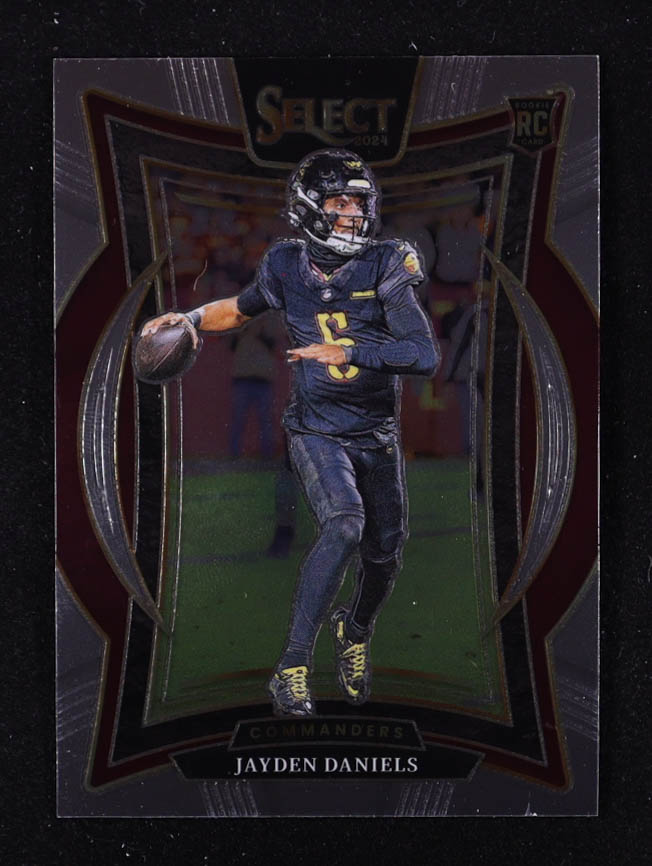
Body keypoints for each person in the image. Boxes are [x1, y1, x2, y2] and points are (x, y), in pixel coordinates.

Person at [142, 150, 440, 717]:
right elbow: (242, 308)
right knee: (345, 523)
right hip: (316, 429)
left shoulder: (386, 262)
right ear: (308, 208)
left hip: (375, 433)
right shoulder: (284, 263)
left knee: (385, 554)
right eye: (339, 201)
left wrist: (349, 351)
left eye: (358, 201)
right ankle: (292, 667)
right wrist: (192, 318)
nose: (353, 213)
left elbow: (422, 354)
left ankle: (354, 630)